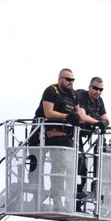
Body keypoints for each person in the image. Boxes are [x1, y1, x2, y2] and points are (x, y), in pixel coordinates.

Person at [34, 68, 86, 211]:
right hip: (47, 135)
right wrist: (67, 117)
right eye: (68, 79)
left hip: (65, 136)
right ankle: (55, 200)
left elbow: (78, 112)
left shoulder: (73, 94)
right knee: (56, 168)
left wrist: (77, 117)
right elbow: (48, 112)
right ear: (60, 79)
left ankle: (70, 200)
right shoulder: (51, 91)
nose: (71, 82)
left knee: (73, 166)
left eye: (73, 80)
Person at [75, 77, 110, 209]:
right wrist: (98, 122)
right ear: (89, 87)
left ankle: (78, 201)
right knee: (77, 165)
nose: (98, 92)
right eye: (95, 88)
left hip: (81, 135)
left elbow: (106, 118)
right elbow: (82, 116)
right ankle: (73, 197)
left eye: (100, 89)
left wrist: (103, 122)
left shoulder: (99, 101)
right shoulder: (80, 95)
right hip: (72, 134)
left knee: (83, 167)